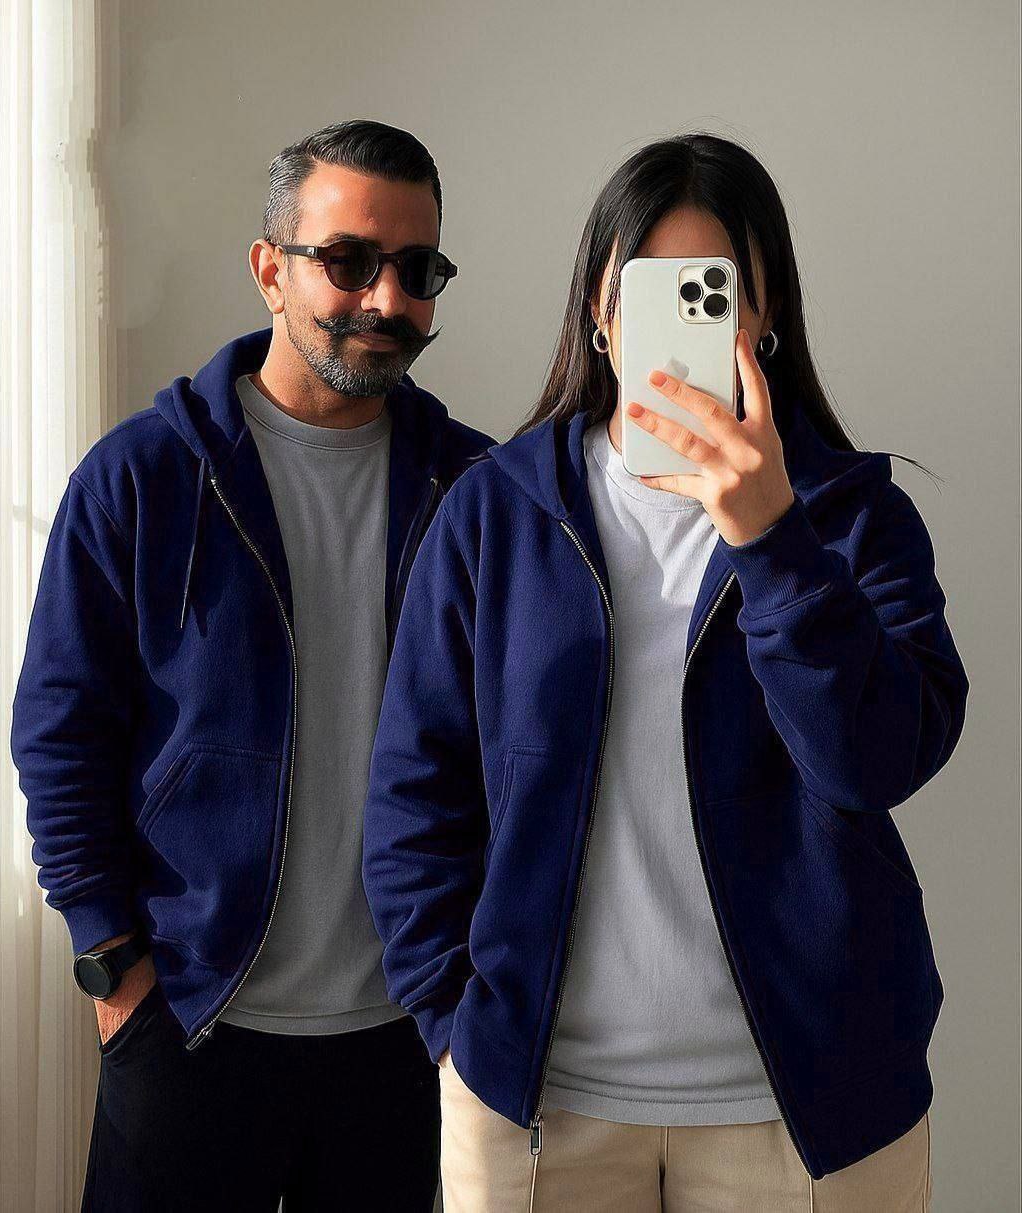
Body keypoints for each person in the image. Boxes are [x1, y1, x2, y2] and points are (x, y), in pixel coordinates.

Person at [361, 132, 969, 1211]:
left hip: (812, 1112)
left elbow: (874, 761)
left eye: (712, 288)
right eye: (646, 286)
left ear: (762, 315)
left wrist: (773, 539)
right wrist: (456, 1029)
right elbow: (416, 789)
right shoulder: (493, 514)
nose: (679, 318)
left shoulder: (853, 518)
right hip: (536, 1107)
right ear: (599, 310)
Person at [11, 118, 494, 1211]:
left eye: (417, 270)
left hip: (406, 1034)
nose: (385, 298)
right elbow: (58, 735)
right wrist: (113, 965)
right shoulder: (140, 478)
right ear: (270, 269)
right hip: (190, 1017)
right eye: (348, 260)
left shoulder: (476, 492)